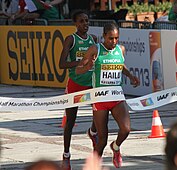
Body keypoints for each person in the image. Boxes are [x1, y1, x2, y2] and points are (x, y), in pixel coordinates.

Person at [75, 23, 140, 168]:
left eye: (117, 38)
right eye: (111, 38)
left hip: (116, 97)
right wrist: (87, 67)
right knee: (102, 140)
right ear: (104, 36)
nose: (114, 42)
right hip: (100, 99)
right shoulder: (95, 49)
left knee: (126, 129)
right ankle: (93, 165)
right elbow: (78, 70)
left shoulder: (120, 49)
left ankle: (116, 147)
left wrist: (130, 76)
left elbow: (121, 65)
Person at [59, 10, 98, 170]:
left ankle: (93, 132)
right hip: (75, 84)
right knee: (70, 121)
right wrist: (80, 63)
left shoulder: (93, 39)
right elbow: (61, 64)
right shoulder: (71, 39)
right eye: (81, 21)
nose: (85, 24)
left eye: (87, 21)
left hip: (91, 83)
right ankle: (66, 155)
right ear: (75, 24)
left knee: (100, 115)